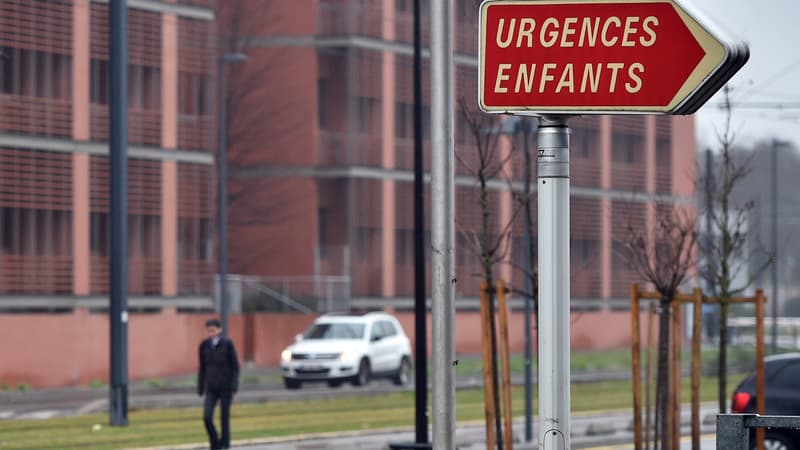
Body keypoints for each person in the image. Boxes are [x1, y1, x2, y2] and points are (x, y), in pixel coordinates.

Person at [198, 318, 240, 450]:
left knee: (224, 418)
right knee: (207, 417)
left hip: (225, 387)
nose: (211, 333)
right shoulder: (203, 345)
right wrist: (200, 386)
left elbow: (235, 366)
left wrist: (234, 385)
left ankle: (225, 444)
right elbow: (202, 367)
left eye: (213, 330)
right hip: (211, 387)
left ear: (219, 330)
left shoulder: (227, 344)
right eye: (209, 331)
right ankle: (215, 443)